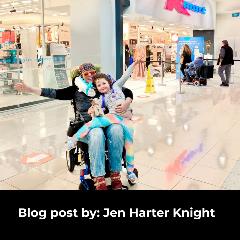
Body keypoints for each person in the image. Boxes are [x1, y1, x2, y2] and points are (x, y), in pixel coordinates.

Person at [14, 62, 138, 190]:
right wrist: (29, 89)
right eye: (86, 73)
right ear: (81, 75)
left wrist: (126, 103)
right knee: (97, 133)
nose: (90, 75)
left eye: (92, 72)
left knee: (117, 129)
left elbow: (126, 91)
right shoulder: (76, 90)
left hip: (109, 122)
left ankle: (115, 174)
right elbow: (53, 92)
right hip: (87, 126)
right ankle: (99, 178)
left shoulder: (103, 85)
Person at [67, 67, 138, 184]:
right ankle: (75, 139)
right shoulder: (100, 98)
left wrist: (133, 64)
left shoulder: (116, 87)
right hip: (113, 118)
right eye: (99, 85)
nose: (102, 86)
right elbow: (96, 110)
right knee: (94, 124)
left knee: (129, 146)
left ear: (109, 82)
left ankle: (129, 171)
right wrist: (92, 109)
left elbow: (125, 77)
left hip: (125, 120)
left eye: (104, 83)